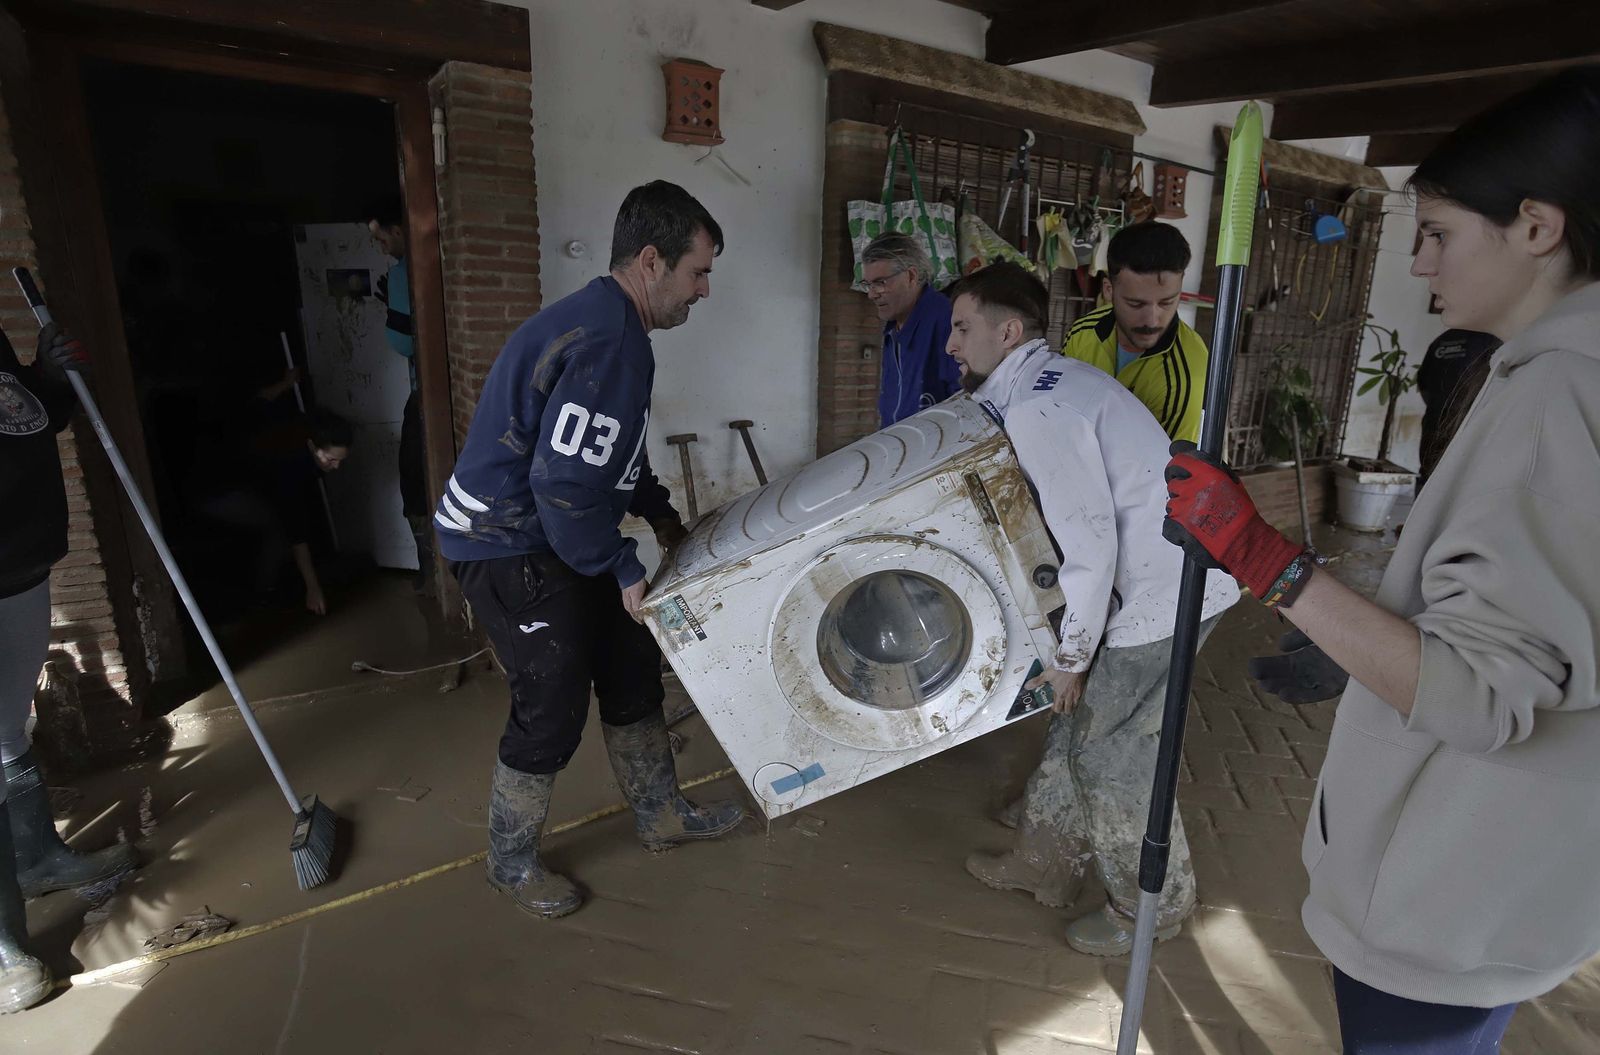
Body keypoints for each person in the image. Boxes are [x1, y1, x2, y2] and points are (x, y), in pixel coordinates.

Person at [1162, 68, 1600, 1052]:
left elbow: (1478, 694)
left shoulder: (1554, 403)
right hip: (1514, 869)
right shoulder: (1557, 378)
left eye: (1439, 231)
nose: (1418, 260)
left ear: (1535, 227)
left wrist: (1257, 555)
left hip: (1453, 882)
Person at [434, 180, 744, 920]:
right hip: (504, 538)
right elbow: (564, 484)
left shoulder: (614, 327)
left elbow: (609, 461)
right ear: (649, 261)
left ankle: (660, 812)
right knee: (553, 699)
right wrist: (624, 564)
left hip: (554, 526)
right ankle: (509, 862)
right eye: (698, 271)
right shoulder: (610, 340)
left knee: (631, 662)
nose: (704, 290)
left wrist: (661, 519)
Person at [949, 262, 1238, 955]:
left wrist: (1071, 656)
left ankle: (1153, 907)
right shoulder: (1049, 380)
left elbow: (1090, 545)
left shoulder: (1040, 406)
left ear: (1008, 330)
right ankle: (1043, 861)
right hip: (1163, 570)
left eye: (963, 329)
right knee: (1075, 722)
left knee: (1113, 757)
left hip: (1166, 592)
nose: (952, 345)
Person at [0, 322, 140, 1013]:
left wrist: (45, 378)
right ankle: (1, 949)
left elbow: (23, 419)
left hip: (19, 563)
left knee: (5, 730)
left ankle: (36, 859)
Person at [1061, 221, 1209, 442]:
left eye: (1167, 302)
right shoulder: (1082, 333)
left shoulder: (1187, 373)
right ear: (1109, 290)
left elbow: (1162, 469)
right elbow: (1060, 407)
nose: (1152, 320)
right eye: (1136, 304)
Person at [196, 408, 353, 616]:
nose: (337, 466)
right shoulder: (292, 464)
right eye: (332, 459)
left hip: (249, 485)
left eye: (341, 460)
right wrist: (313, 587)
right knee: (278, 529)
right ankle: (262, 595)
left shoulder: (306, 437)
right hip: (219, 491)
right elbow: (296, 529)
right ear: (312, 446)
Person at [368, 197, 432, 593]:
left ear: (397, 230)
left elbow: (404, 344)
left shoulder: (401, 275)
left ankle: (429, 575)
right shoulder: (425, 268)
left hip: (424, 395)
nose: (381, 247)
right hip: (425, 394)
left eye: (380, 238)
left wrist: (394, 310)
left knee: (413, 482)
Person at [860, 232, 962, 427]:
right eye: (868, 284)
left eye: (880, 283)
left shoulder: (947, 321)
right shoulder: (893, 329)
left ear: (911, 276)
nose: (872, 295)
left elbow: (963, 404)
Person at [1415, 328, 1500, 489]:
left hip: (1435, 422)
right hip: (1469, 428)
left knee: (1428, 480)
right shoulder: (1493, 340)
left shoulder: (1444, 339)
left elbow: (1423, 384)